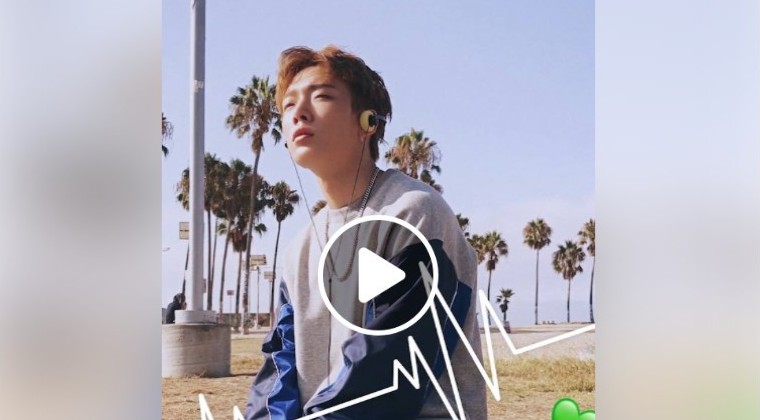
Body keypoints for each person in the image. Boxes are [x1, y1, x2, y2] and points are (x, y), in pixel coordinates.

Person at [244, 45, 486, 419]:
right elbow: (280, 370)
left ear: (368, 122)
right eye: (288, 104)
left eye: (321, 96)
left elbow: (388, 373)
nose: (298, 112)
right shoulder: (299, 250)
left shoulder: (412, 212)